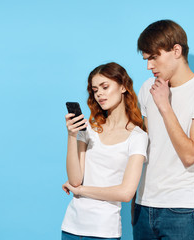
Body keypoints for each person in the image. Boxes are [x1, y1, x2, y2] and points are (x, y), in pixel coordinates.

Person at [132, 20, 194, 240]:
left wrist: (164, 105)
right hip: (142, 206)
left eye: (154, 57)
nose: (149, 66)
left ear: (176, 50)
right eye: (146, 59)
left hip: (180, 209)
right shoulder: (147, 88)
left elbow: (190, 154)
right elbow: (140, 145)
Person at [61, 62, 148, 240]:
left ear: (123, 86)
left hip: (103, 231)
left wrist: (81, 191)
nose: (99, 93)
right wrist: (71, 135)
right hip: (71, 227)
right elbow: (75, 180)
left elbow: (125, 193)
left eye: (105, 86)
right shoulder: (90, 130)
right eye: (95, 90)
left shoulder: (138, 137)